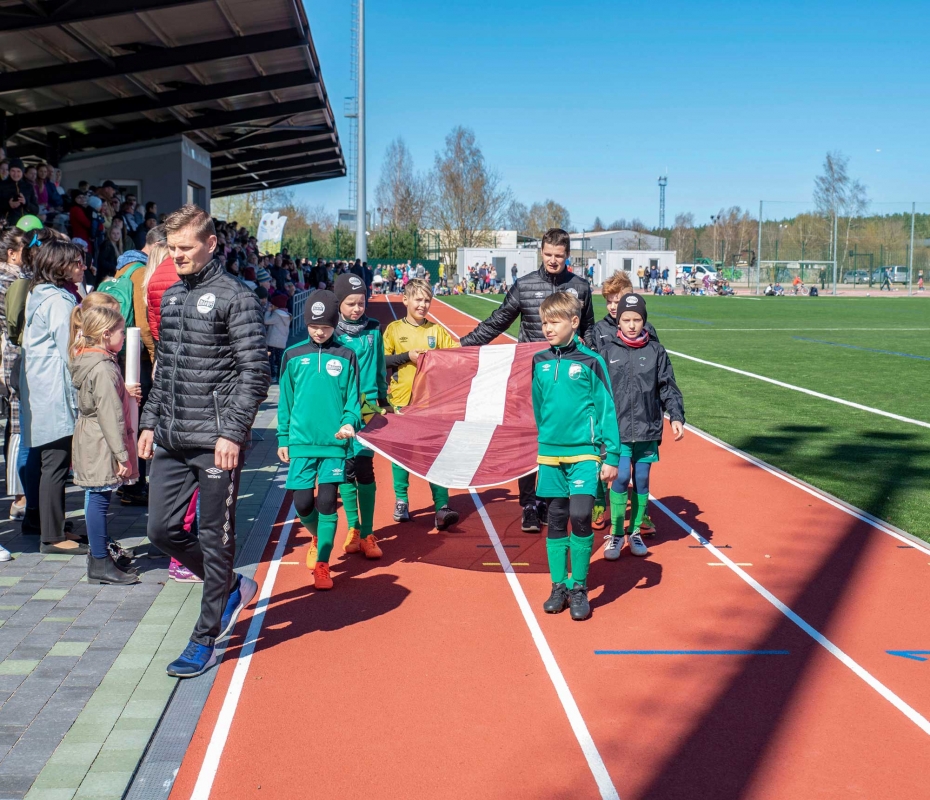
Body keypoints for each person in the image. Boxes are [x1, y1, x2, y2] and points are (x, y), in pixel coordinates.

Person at [139, 204, 269, 678]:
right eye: (172, 249)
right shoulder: (171, 297)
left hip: (215, 442)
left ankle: (204, 638)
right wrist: (150, 422)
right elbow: (164, 370)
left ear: (211, 244)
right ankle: (229, 586)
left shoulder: (237, 297)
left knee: (215, 540)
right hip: (173, 436)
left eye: (186, 248)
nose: (178, 257)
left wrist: (232, 432)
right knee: (160, 531)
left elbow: (256, 373)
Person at [460, 228, 594, 533]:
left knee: (560, 437)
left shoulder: (581, 288)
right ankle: (530, 504)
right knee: (529, 440)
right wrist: (461, 346)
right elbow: (497, 321)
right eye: (548, 254)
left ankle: (551, 498)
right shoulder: (525, 286)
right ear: (541, 252)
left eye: (559, 256)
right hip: (531, 376)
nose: (553, 260)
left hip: (568, 380)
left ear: (567, 255)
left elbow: (590, 331)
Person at [532, 292, 619, 621]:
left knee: (581, 514)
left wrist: (612, 455)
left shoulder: (591, 362)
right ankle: (559, 586)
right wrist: (546, 441)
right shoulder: (539, 361)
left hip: (585, 453)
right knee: (555, 518)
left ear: (573, 322)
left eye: (554, 321)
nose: (547, 328)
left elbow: (607, 408)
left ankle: (579, 586)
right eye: (543, 322)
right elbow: (538, 407)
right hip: (550, 455)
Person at [277, 290, 361, 589]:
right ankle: (317, 536)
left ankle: (323, 563)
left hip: (334, 445)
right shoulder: (292, 355)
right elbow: (285, 402)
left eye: (325, 327)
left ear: (334, 325)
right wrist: (283, 437)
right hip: (301, 443)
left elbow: (353, 400)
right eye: (314, 327)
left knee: (327, 502)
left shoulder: (347, 356)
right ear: (306, 324)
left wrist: (350, 423)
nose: (320, 332)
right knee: (302, 503)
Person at [601, 294, 685, 561]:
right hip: (618, 430)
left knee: (642, 479)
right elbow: (597, 391)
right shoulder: (607, 351)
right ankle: (616, 534)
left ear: (644, 321)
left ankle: (634, 531)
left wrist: (676, 415)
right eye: (626, 319)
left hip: (648, 428)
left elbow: (667, 385)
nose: (632, 325)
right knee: (621, 477)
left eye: (637, 319)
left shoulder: (656, 352)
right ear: (618, 320)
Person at [20, 240, 84, 554]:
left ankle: (44, 522)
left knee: (47, 461)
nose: (82, 267)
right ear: (60, 266)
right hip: (54, 391)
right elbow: (70, 350)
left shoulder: (38, 293)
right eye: (76, 262)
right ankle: (53, 536)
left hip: (41, 388)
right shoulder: (58, 301)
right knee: (56, 463)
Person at [69, 302, 140, 584]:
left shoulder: (91, 360)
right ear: (105, 334)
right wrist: (122, 455)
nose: (124, 337)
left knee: (95, 496)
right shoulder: (103, 368)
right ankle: (100, 562)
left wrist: (123, 390)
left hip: (93, 434)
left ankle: (99, 557)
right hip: (101, 439)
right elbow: (109, 414)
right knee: (99, 499)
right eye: (121, 332)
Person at [383, 278, 459, 529]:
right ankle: (402, 500)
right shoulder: (394, 329)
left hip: (430, 404)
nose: (423, 304)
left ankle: (442, 505)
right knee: (401, 453)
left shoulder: (436, 331)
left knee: (435, 453)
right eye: (418, 299)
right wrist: (407, 357)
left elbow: (455, 357)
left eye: (427, 300)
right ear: (405, 300)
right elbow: (382, 360)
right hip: (401, 402)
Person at [591, 271, 659, 534]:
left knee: (639, 469)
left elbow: (654, 364)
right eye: (608, 300)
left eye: (618, 299)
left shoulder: (647, 329)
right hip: (608, 408)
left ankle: (641, 515)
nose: (612, 305)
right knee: (601, 459)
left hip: (637, 411)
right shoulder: (599, 330)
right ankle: (599, 503)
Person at [333, 273, 387, 559]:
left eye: (361, 303)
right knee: (345, 469)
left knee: (365, 469)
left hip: (366, 412)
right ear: (338, 303)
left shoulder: (374, 329)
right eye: (350, 303)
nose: (357, 309)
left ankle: (367, 532)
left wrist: (384, 399)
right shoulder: (330, 331)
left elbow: (379, 368)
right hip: (339, 410)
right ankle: (352, 527)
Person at [0, 159, 39, 226]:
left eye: (18, 171)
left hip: (26, 225)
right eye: (13, 171)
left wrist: (26, 202)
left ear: (22, 172)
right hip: (7, 225)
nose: (15, 174)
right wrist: (8, 205)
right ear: (9, 171)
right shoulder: (1, 186)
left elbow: (36, 210)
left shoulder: (28, 187)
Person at [264, 294, 291, 381]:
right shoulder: (287, 315)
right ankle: (281, 376)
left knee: (271, 360)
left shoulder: (276, 315)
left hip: (272, 341)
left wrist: (268, 311)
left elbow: (266, 321)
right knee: (280, 360)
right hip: (282, 342)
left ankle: (273, 376)